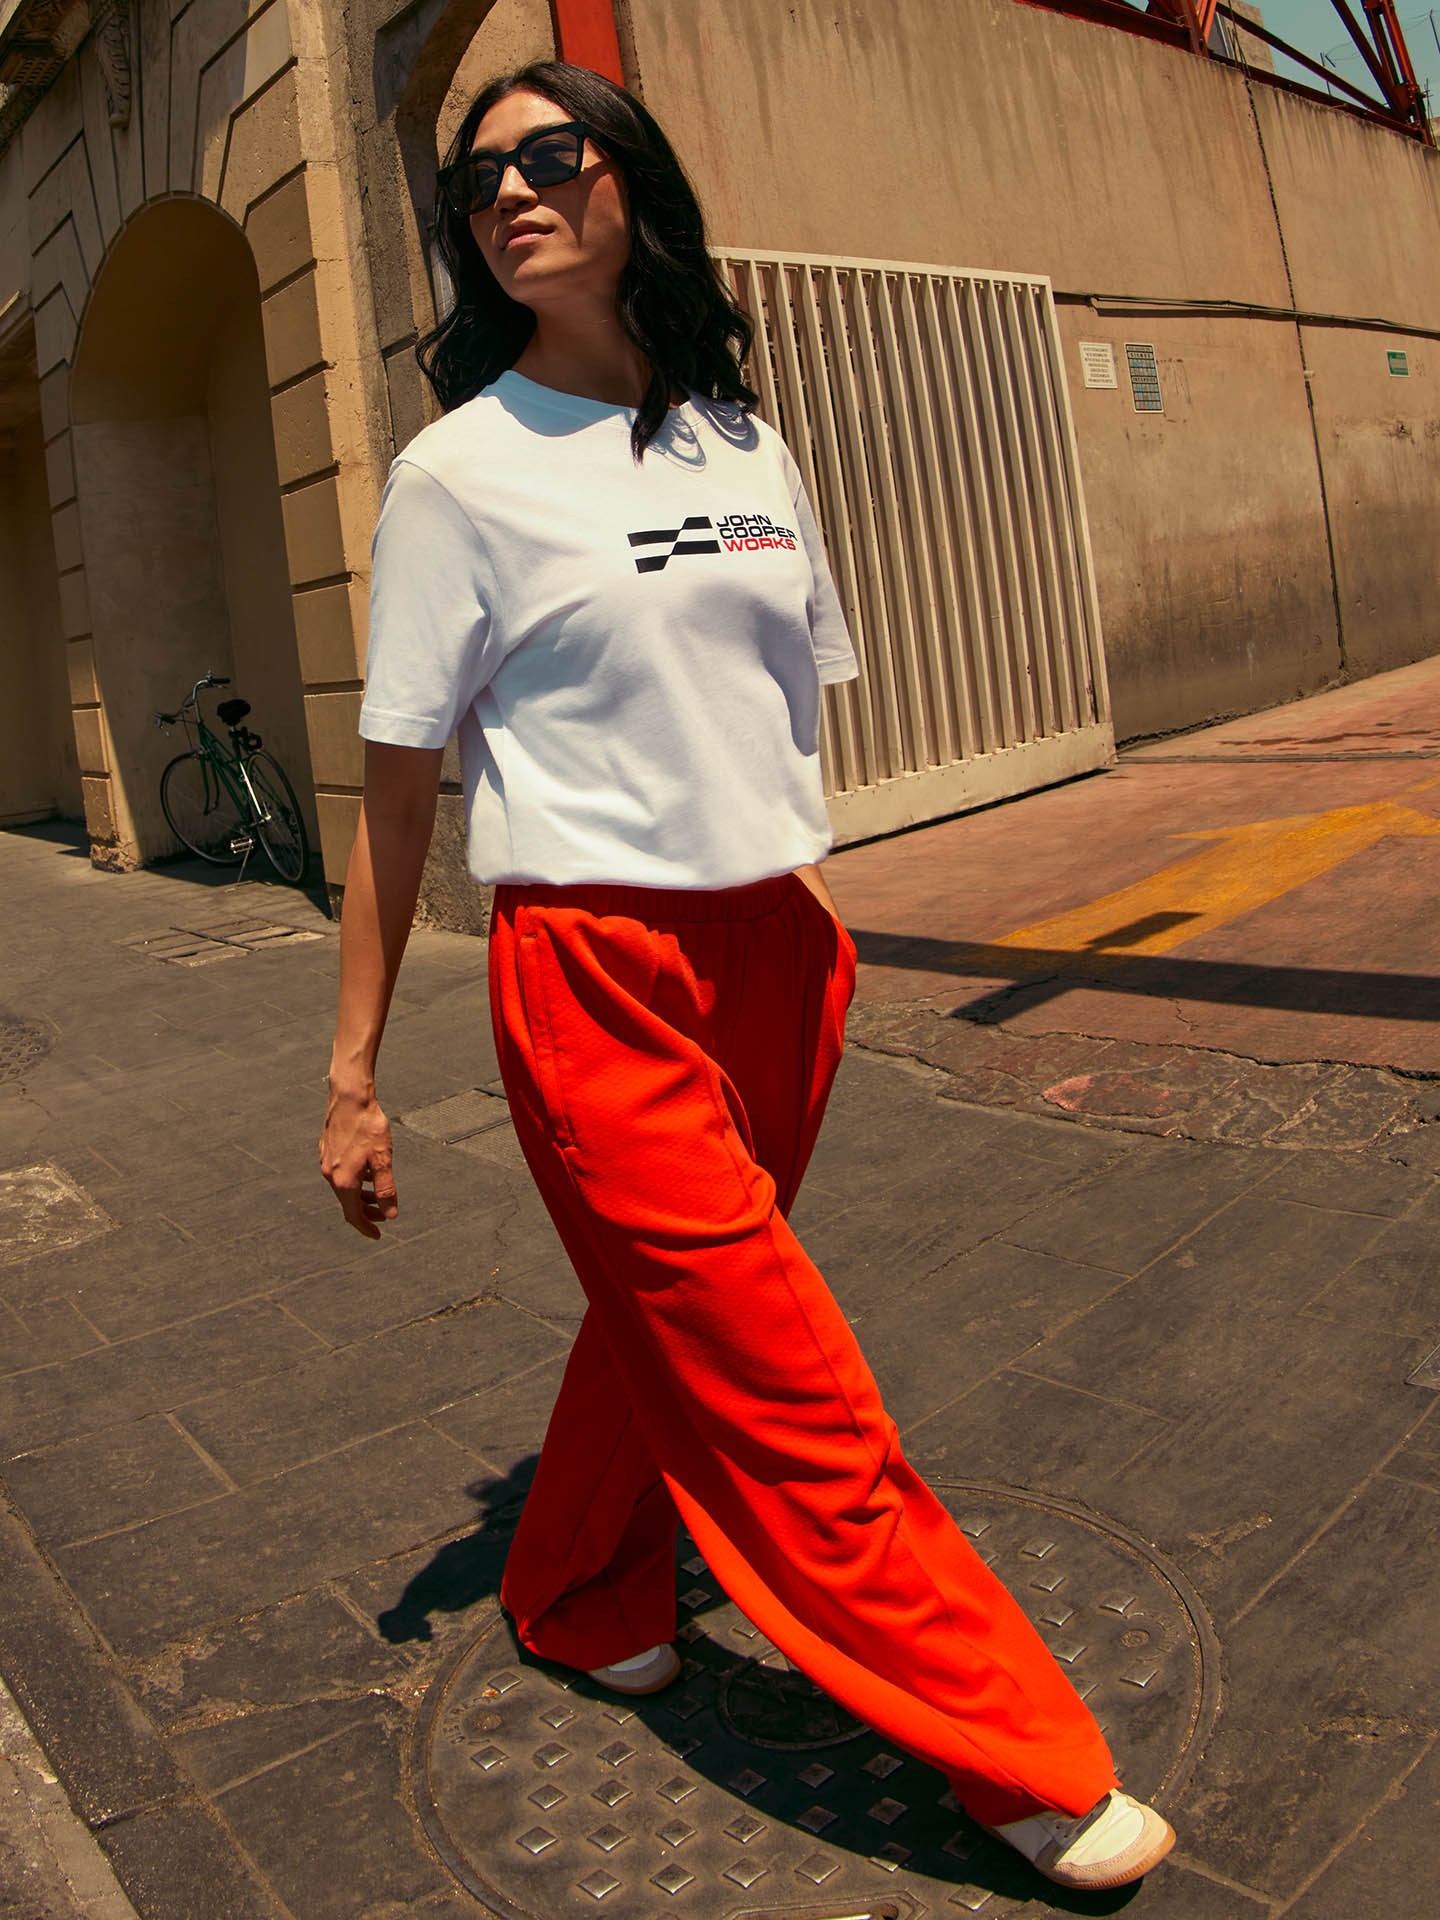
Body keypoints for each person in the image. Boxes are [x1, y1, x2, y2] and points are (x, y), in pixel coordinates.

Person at [319, 59, 1175, 1893]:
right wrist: (354, 1069)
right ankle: (1014, 1747)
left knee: (690, 1317)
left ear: (634, 181)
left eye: (556, 155)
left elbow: (789, 701)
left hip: (776, 951)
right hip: (596, 976)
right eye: (480, 182)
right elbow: (398, 789)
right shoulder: (457, 471)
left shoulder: (741, 436)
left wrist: (806, 915)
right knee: (789, 1384)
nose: (515, 192)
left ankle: (567, 1579)